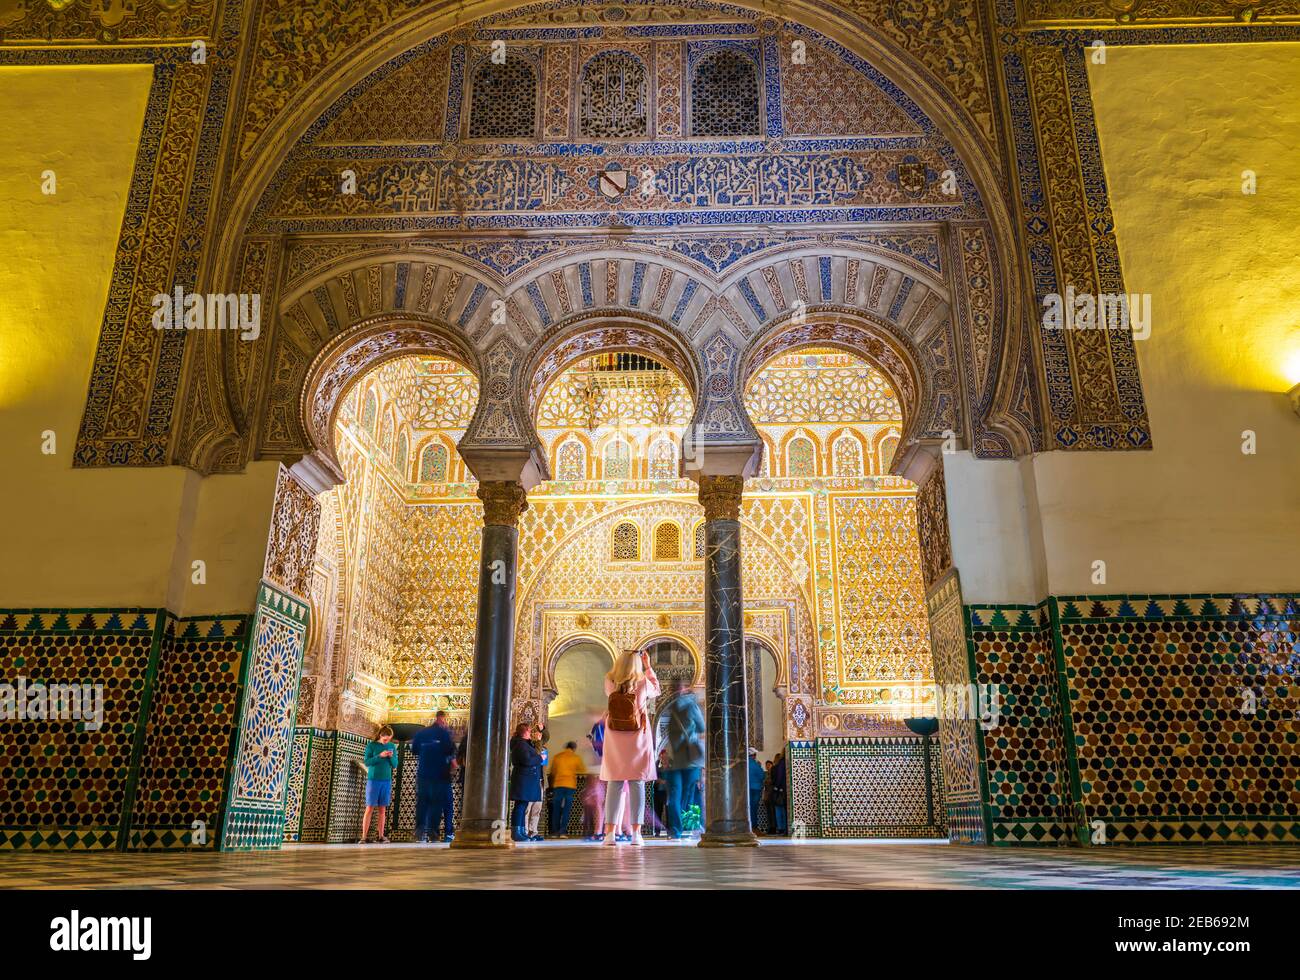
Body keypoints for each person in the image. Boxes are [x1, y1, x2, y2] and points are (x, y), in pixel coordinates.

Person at [600, 649, 661, 846]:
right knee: (637, 784)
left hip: (615, 736)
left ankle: (609, 834)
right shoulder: (643, 683)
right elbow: (657, 690)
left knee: (614, 784)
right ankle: (636, 834)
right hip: (637, 736)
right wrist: (648, 667)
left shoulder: (609, 682)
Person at [661, 678, 704, 839]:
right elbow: (702, 727)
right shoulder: (692, 705)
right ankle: (688, 828)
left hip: (674, 761)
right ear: (686, 688)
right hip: (691, 761)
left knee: (674, 797)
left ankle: (676, 831)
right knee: (690, 796)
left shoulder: (671, 707)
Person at [411, 711, 457, 843]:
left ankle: (420, 829)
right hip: (440, 774)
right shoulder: (444, 734)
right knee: (436, 802)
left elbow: (414, 750)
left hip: (424, 772)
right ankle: (433, 831)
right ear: (441, 719)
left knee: (423, 801)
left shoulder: (421, 733)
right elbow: (449, 750)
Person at [360, 724, 399, 844]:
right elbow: (367, 762)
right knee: (370, 807)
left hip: (386, 780)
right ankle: (364, 837)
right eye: (385, 737)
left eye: (389, 738)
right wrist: (379, 756)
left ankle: (381, 836)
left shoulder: (392, 746)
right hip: (373, 780)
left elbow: (395, 764)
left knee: (382, 809)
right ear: (380, 735)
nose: (386, 740)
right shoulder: (372, 746)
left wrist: (391, 757)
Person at [509, 723, 545, 843]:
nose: (530, 733)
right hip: (523, 779)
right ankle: (516, 833)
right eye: (529, 731)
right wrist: (540, 759)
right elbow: (527, 760)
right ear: (524, 732)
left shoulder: (524, 744)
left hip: (525, 779)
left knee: (522, 805)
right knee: (520, 806)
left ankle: (521, 832)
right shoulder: (520, 744)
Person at [548, 741, 584, 838]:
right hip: (570, 785)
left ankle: (555, 832)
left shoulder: (557, 757)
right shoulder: (575, 757)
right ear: (574, 748)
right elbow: (582, 769)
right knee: (566, 810)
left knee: (556, 809)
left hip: (558, 785)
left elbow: (552, 771)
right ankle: (563, 832)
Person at [526, 727, 548, 840]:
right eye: (536, 734)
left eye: (540, 735)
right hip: (531, 782)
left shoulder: (543, 747)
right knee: (527, 808)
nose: (539, 736)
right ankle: (524, 832)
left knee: (537, 809)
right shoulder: (530, 747)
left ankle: (533, 831)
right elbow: (537, 753)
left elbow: (547, 737)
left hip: (540, 782)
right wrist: (538, 741)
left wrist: (543, 729)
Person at [747, 747, 766, 833]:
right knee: (754, 808)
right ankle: (754, 827)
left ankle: (749, 827)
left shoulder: (745, 764)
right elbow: (762, 776)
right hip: (756, 789)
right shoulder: (755, 764)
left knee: (749, 808)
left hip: (747, 789)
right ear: (754, 756)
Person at [770, 750, 788, 834]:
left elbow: (778, 777)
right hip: (785, 789)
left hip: (779, 790)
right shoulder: (787, 762)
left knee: (779, 809)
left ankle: (781, 828)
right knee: (784, 810)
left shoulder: (779, 764)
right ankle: (785, 827)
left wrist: (776, 787)